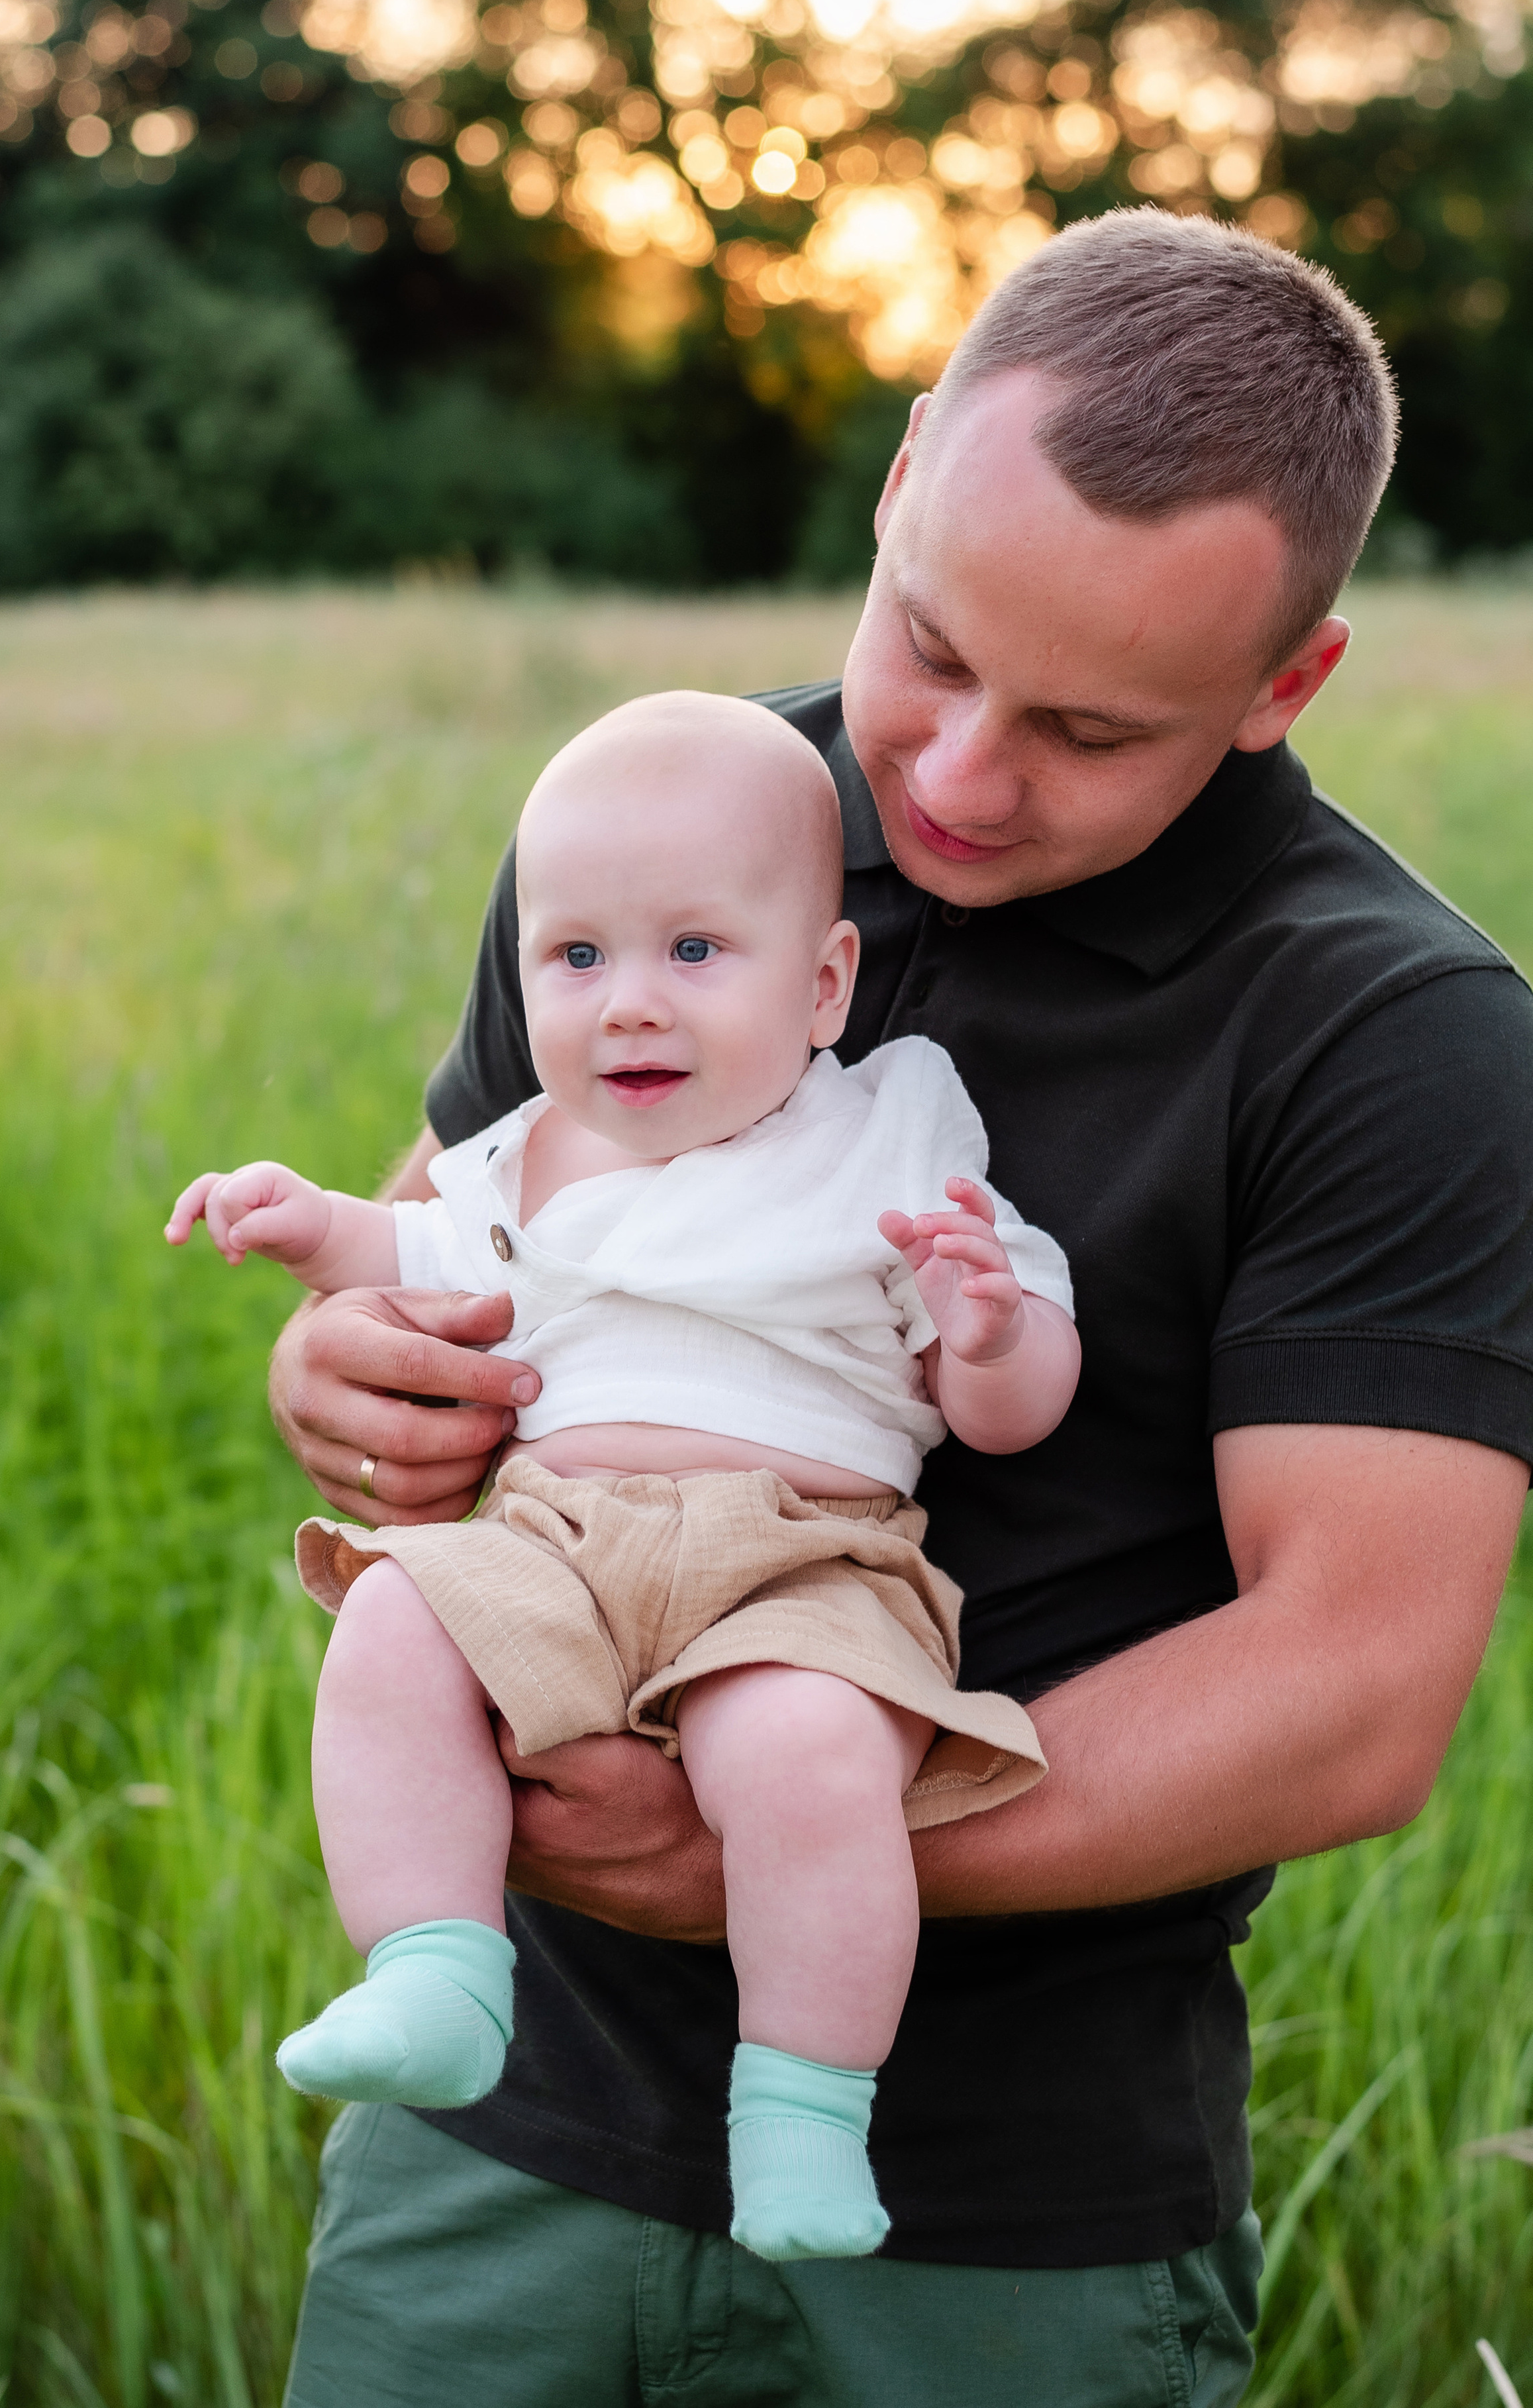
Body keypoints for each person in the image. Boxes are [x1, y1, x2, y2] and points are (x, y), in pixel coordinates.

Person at [268, 211, 1533, 2408]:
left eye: (1086, 726)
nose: (950, 778)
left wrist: (787, 1834)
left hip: (1009, 2223)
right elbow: (461, 1261)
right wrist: (349, 1374)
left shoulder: (1398, 1036)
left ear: (1283, 684)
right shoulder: (668, 835)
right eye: (929, 647)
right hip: (508, 2122)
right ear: (907, 468)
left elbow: (1353, 1686)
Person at [169, 691, 1081, 2260]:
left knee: (806, 1762)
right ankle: (436, 1970)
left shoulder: (887, 1130)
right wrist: (304, 1220)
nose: (629, 1008)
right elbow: (412, 1254)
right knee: (394, 1630)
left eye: (693, 954)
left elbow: (1005, 1411)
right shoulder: (529, 1151)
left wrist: (985, 1324)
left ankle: (799, 2111)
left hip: (800, 1553)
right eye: (575, 958)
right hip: (554, 1539)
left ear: (822, 985)